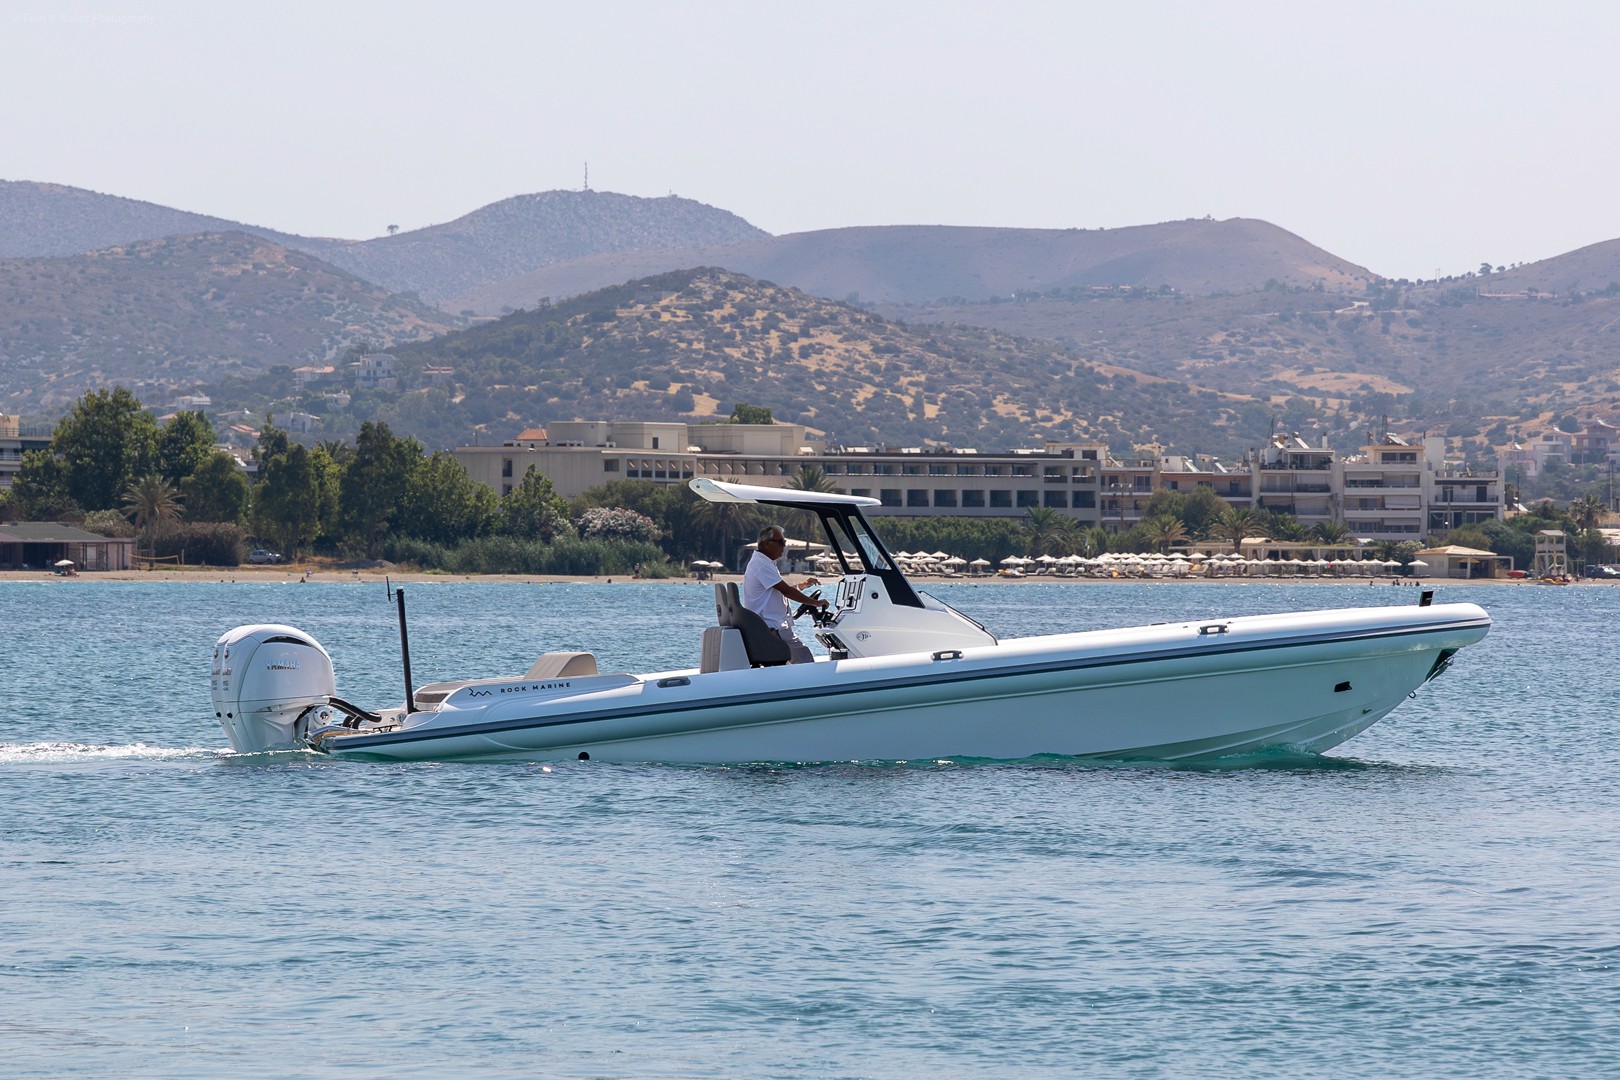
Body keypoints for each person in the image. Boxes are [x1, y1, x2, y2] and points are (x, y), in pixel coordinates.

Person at [742, 524, 829, 664]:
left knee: (795, 661)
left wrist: (803, 585)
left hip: (769, 626)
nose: (784, 546)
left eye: (784, 542)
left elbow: (779, 590)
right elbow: (787, 591)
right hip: (773, 627)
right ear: (767, 544)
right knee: (806, 661)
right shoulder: (762, 565)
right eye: (781, 542)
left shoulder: (763, 562)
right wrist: (816, 603)